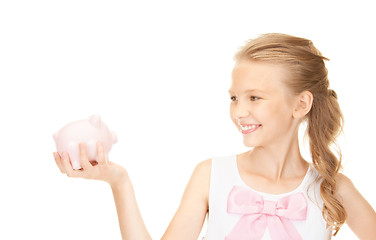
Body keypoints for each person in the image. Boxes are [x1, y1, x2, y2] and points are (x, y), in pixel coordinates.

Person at [53, 33, 376, 240]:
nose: (239, 111)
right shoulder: (212, 175)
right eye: (234, 98)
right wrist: (118, 181)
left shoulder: (333, 189)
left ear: (301, 104)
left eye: (255, 98)